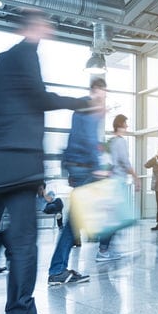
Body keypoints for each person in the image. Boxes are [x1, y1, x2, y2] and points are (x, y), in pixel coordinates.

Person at [0, 10, 102, 314]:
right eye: (46, 23)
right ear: (35, 26)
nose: (50, 28)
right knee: (24, 243)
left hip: (0, 159)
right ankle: (20, 309)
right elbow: (39, 98)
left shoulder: (3, 60)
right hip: (19, 158)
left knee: (11, 232)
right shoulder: (25, 55)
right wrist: (82, 102)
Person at [48, 78, 108, 285]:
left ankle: (59, 269)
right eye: (102, 92)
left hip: (76, 165)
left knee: (77, 218)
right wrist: (98, 165)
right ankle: (57, 270)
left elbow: (78, 136)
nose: (103, 97)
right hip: (84, 167)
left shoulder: (81, 107)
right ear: (95, 90)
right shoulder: (90, 106)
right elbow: (89, 139)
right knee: (75, 220)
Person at [99, 114, 141, 260]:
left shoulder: (110, 142)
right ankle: (103, 250)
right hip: (117, 182)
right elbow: (125, 162)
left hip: (110, 182)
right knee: (117, 218)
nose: (127, 127)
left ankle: (109, 249)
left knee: (115, 217)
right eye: (126, 124)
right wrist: (136, 178)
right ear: (121, 125)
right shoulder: (120, 141)